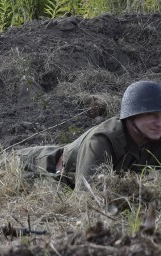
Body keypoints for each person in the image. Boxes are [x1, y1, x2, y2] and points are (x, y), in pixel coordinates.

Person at [18, 80, 161, 188]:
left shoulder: (154, 136)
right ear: (131, 116)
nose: (159, 123)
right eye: (151, 115)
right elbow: (88, 198)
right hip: (41, 165)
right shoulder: (102, 140)